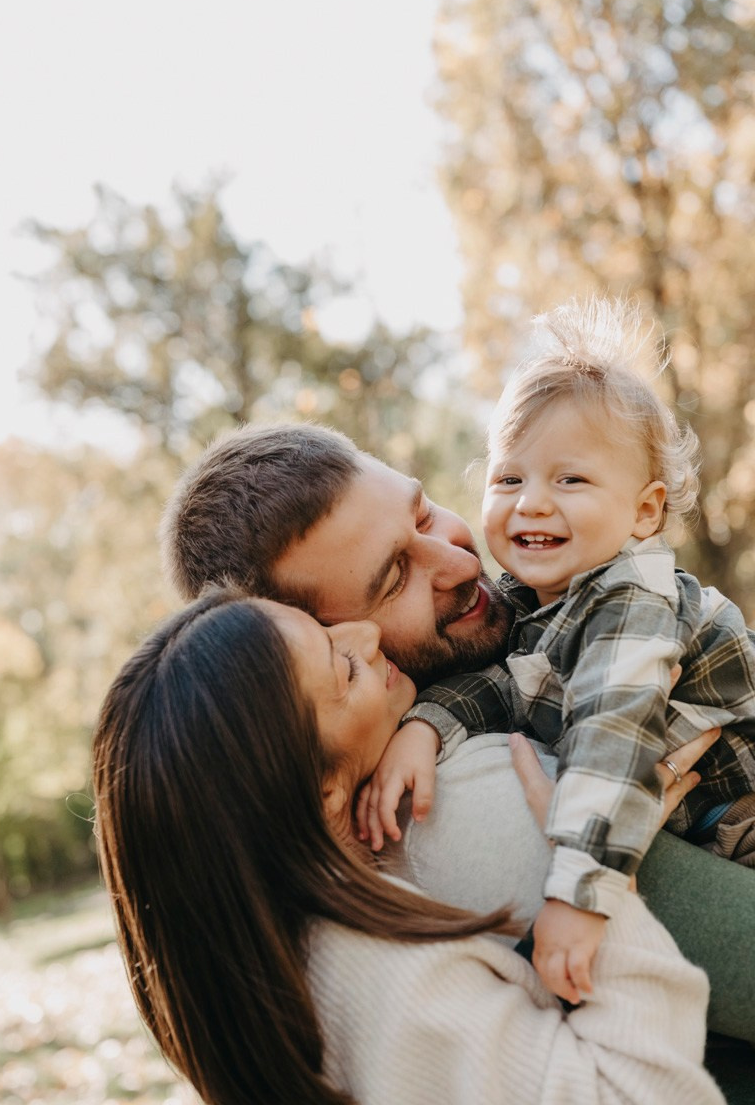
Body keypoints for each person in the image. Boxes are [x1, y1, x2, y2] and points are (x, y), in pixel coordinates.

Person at [159, 417, 755, 1044]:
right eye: (393, 580)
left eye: (422, 515)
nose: (459, 562)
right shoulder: (461, 801)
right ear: (314, 645)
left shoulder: (545, 616)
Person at [92, 585, 727, 1105]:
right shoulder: (391, 978)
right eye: (343, 666)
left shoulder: (254, 1000)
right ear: (321, 793)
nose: (366, 634)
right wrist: (594, 874)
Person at [361, 297, 755, 1004]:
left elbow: (614, 734)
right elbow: (506, 683)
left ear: (643, 510)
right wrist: (428, 724)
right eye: (509, 478)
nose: (532, 503)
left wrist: (579, 893)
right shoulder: (527, 603)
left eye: (570, 480)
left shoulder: (633, 597)